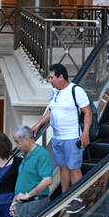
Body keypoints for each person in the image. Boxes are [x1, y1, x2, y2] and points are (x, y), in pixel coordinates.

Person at [31, 64, 91, 196]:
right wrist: (39, 124)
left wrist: (85, 133)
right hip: (57, 138)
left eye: (51, 77)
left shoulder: (76, 90)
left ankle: (79, 199)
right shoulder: (55, 92)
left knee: (74, 168)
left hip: (72, 138)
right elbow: (50, 110)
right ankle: (64, 196)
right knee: (62, 167)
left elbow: (87, 112)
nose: (49, 80)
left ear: (61, 77)